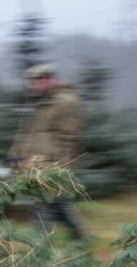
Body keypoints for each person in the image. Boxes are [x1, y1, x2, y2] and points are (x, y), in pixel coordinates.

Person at [10, 64, 87, 240]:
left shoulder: (66, 103)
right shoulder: (44, 103)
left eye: (34, 83)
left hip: (50, 169)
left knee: (41, 206)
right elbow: (30, 137)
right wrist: (14, 161)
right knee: (59, 207)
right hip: (35, 167)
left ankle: (40, 249)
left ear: (46, 80)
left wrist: (63, 176)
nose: (31, 87)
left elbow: (70, 141)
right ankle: (81, 239)